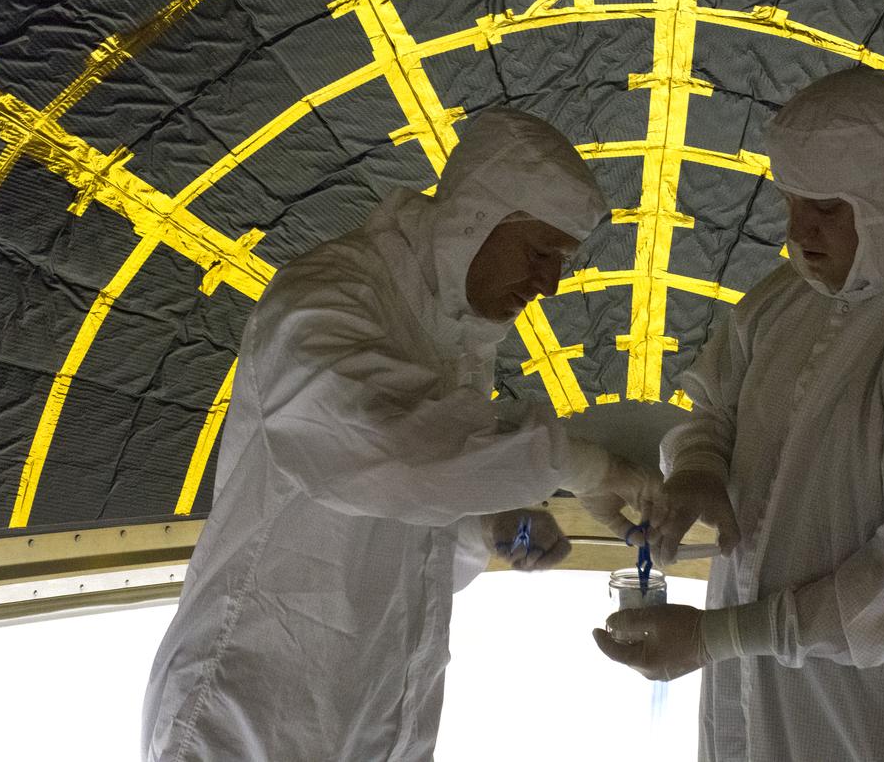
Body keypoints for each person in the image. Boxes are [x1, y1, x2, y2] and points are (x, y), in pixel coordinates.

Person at [143, 107, 660, 761]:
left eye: (560, 260)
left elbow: (411, 511)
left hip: (375, 713)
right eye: (539, 252)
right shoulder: (324, 301)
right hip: (250, 715)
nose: (551, 284)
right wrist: (588, 465)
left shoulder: (459, 333)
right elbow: (390, 457)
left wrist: (486, 529)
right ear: (477, 219)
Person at [593, 68, 884, 761]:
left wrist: (714, 638)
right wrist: (699, 465)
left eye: (825, 209)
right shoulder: (797, 294)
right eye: (790, 202)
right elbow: (717, 400)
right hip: (761, 695)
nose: (797, 231)